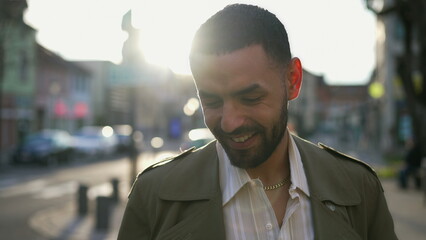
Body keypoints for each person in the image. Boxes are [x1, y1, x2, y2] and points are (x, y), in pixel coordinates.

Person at [118, 4, 397, 239]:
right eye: (212, 101)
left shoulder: (359, 188)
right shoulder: (154, 196)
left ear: (292, 80)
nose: (230, 122)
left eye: (250, 97)